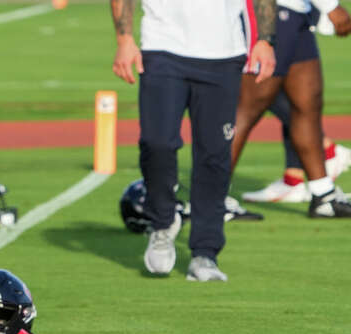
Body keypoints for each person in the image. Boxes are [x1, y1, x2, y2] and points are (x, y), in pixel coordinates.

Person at [111, 0, 277, 281]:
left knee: (214, 156)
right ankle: (163, 223)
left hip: (224, 54)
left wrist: (264, 39)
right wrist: (125, 39)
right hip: (162, 47)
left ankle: (205, 253)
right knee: (157, 143)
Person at [233, 0, 351, 214]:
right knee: (247, 109)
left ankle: (323, 195)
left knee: (307, 105)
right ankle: (209, 198)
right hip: (269, 11)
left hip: (299, 12)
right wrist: (330, 6)